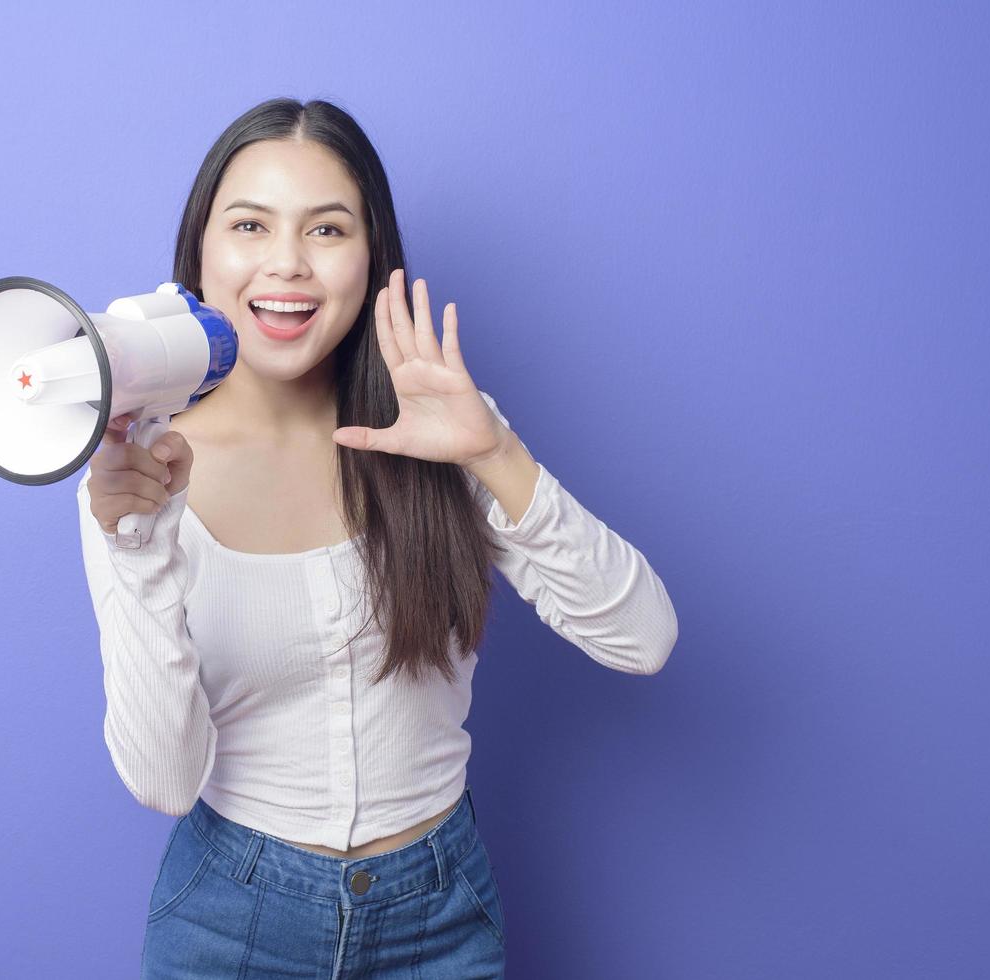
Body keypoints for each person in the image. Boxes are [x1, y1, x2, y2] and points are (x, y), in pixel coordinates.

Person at [76, 97, 679, 978]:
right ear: (201, 251)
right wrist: (133, 544)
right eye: (250, 225)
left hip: (440, 919)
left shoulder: (438, 426)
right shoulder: (135, 467)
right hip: (228, 922)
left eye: (327, 229)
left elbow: (644, 639)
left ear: (372, 257)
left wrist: (495, 452)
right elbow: (165, 782)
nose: (287, 264)